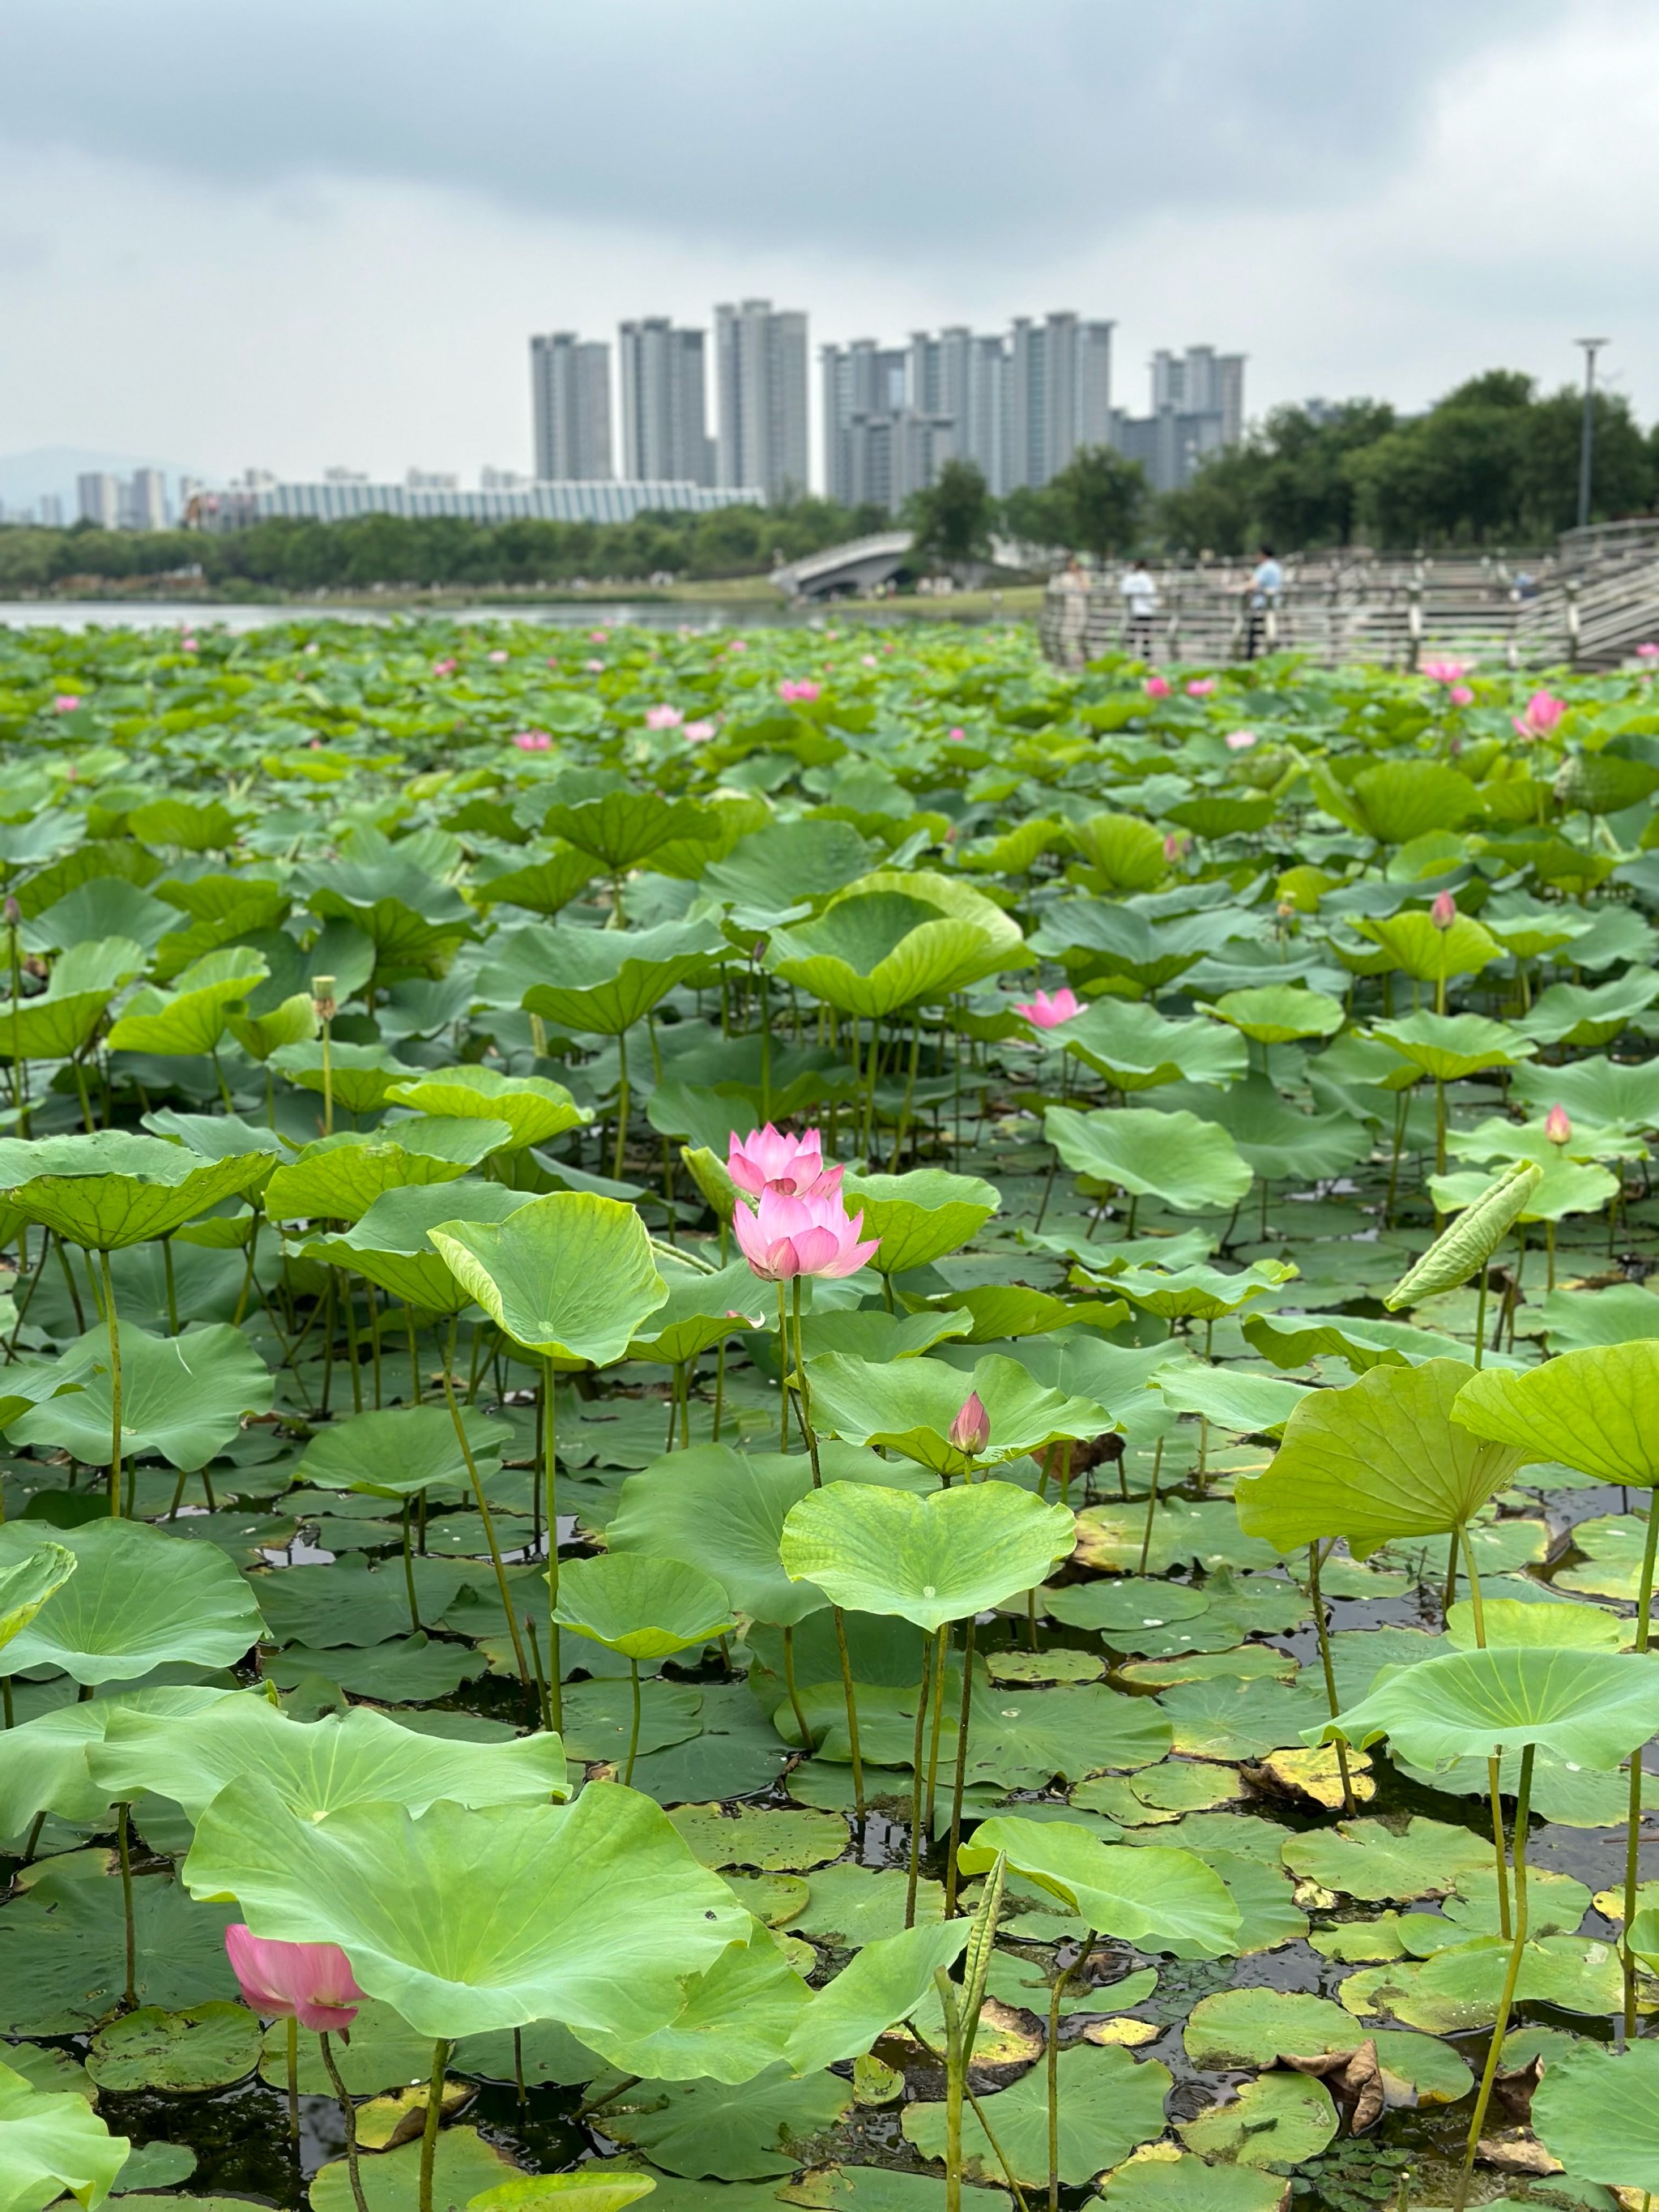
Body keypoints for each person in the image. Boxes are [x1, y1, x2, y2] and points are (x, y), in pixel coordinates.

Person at [1243, 544, 1282, 660]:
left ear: (1262, 554)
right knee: (1271, 635)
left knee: (1253, 638)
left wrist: (1248, 580)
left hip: (1262, 606)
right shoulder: (1276, 567)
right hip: (1274, 605)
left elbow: (1252, 585)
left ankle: (1249, 661)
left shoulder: (1264, 567)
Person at [1055, 554, 1090, 667]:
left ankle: (1079, 654)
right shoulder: (1064, 577)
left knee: (1080, 628)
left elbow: (1087, 588)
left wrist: (1080, 576)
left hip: (1080, 605)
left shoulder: (1084, 575)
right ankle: (1066, 652)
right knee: (1067, 630)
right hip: (1069, 606)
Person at [1120, 557, 1158, 660]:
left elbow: (1123, 591)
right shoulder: (1146, 577)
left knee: (1132, 636)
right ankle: (1146, 658)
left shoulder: (1129, 577)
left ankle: (1129, 657)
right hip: (1145, 611)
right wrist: (1157, 603)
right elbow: (1150, 593)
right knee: (1146, 636)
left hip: (1132, 610)